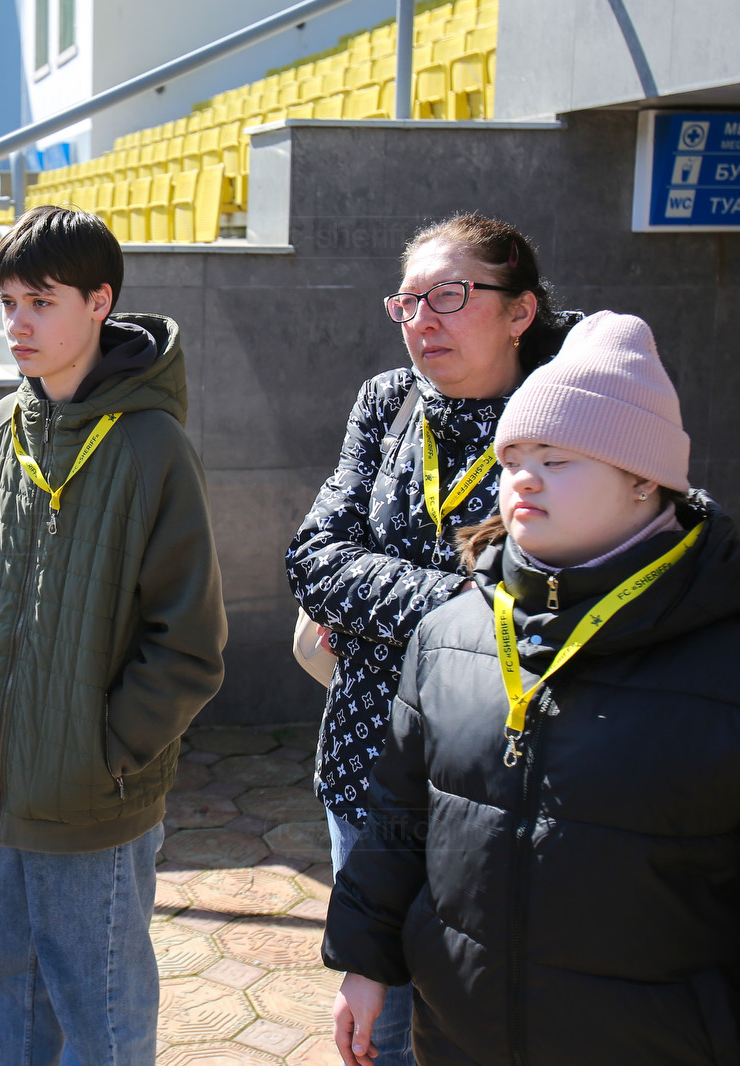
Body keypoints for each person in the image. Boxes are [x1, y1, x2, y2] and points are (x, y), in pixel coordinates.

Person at [324, 311, 740, 1065]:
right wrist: (364, 960)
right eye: (513, 456)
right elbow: (398, 818)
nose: (522, 478)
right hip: (461, 1037)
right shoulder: (450, 633)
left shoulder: (721, 649)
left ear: (645, 477)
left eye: (557, 458)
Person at [0, 205, 227, 1065]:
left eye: (41, 302)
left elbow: (189, 642)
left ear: (99, 302)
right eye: (8, 302)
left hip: (93, 800)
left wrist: (105, 752)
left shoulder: (154, 447)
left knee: (101, 1014)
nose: (18, 324)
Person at [285, 214, 578, 1065]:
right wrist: (463, 604)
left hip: (494, 784)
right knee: (380, 1027)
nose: (422, 320)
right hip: (367, 758)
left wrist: (381, 602)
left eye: (448, 296)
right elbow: (314, 557)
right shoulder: (389, 400)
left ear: (519, 311)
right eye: (408, 301)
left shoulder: (567, 418)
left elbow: (545, 603)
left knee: (479, 1026)